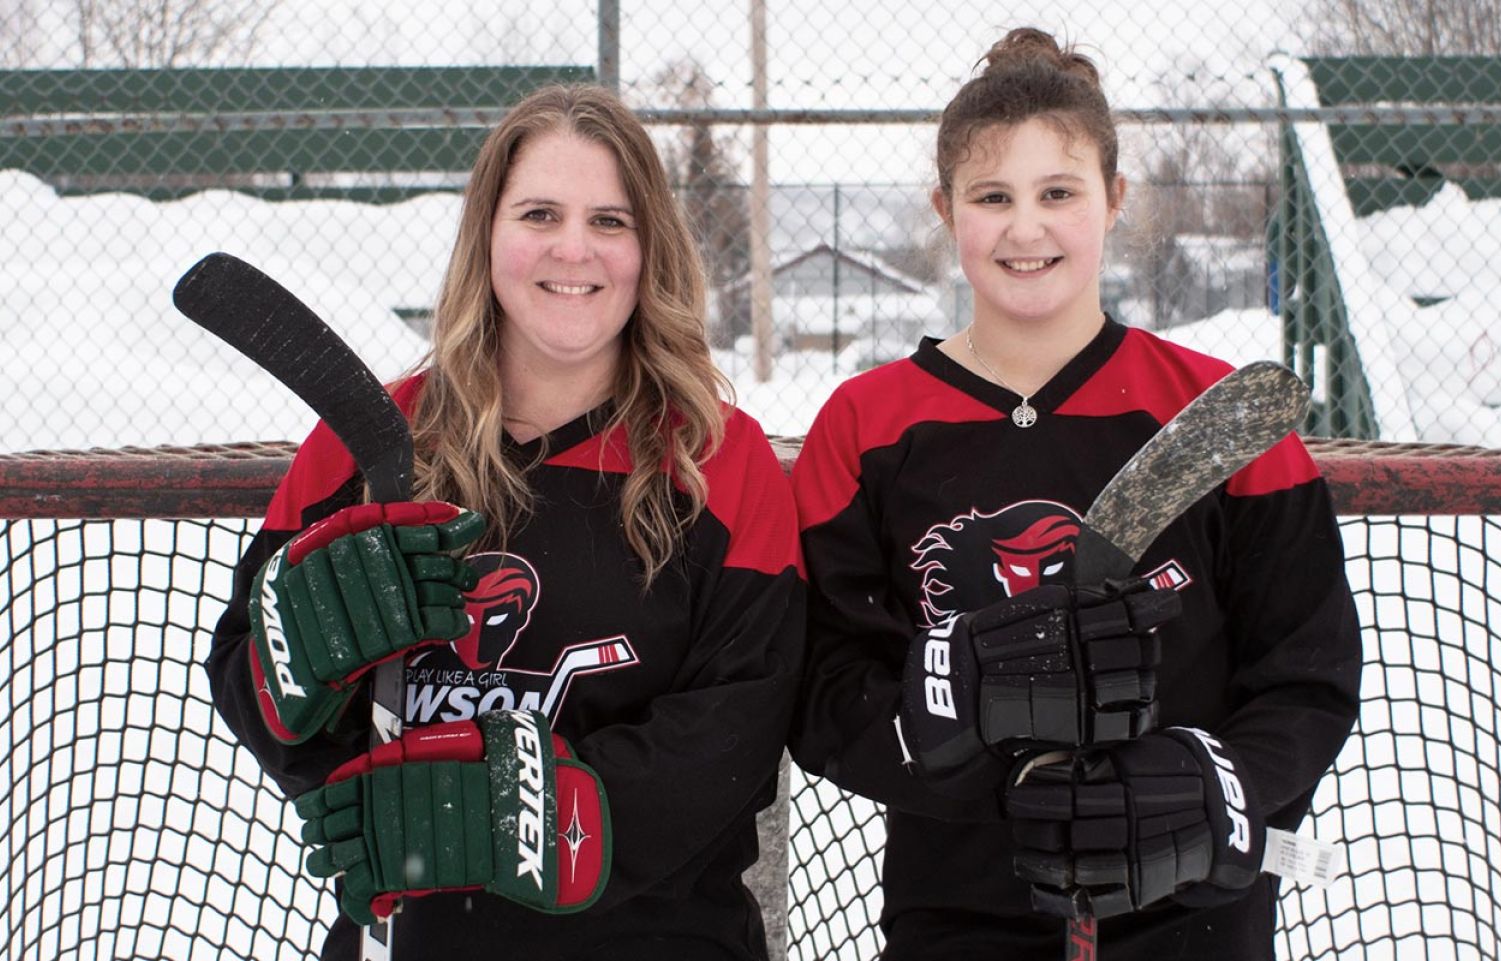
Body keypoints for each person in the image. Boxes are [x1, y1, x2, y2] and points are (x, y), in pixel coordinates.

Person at [787, 28, 1362, 960]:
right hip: (958, 911)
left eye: (1059, 192)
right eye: (992, 197)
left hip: (1194, 910)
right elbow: (822, 680)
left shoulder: (1217, 416)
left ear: (1114, 198)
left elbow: (1308, 668)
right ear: (945, 208)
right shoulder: (865, 426)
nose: (1027, 227)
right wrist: (940, 733)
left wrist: (1213, 784)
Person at [206, 83, 804, 961]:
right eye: (539, 213)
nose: (574, 248)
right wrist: (301, 667)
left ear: (649, 249)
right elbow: (248, 674)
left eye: (609, 220)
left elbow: (742, 721)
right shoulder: (374, 444)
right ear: (488, 235)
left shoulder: (715, 457)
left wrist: (519, 817)